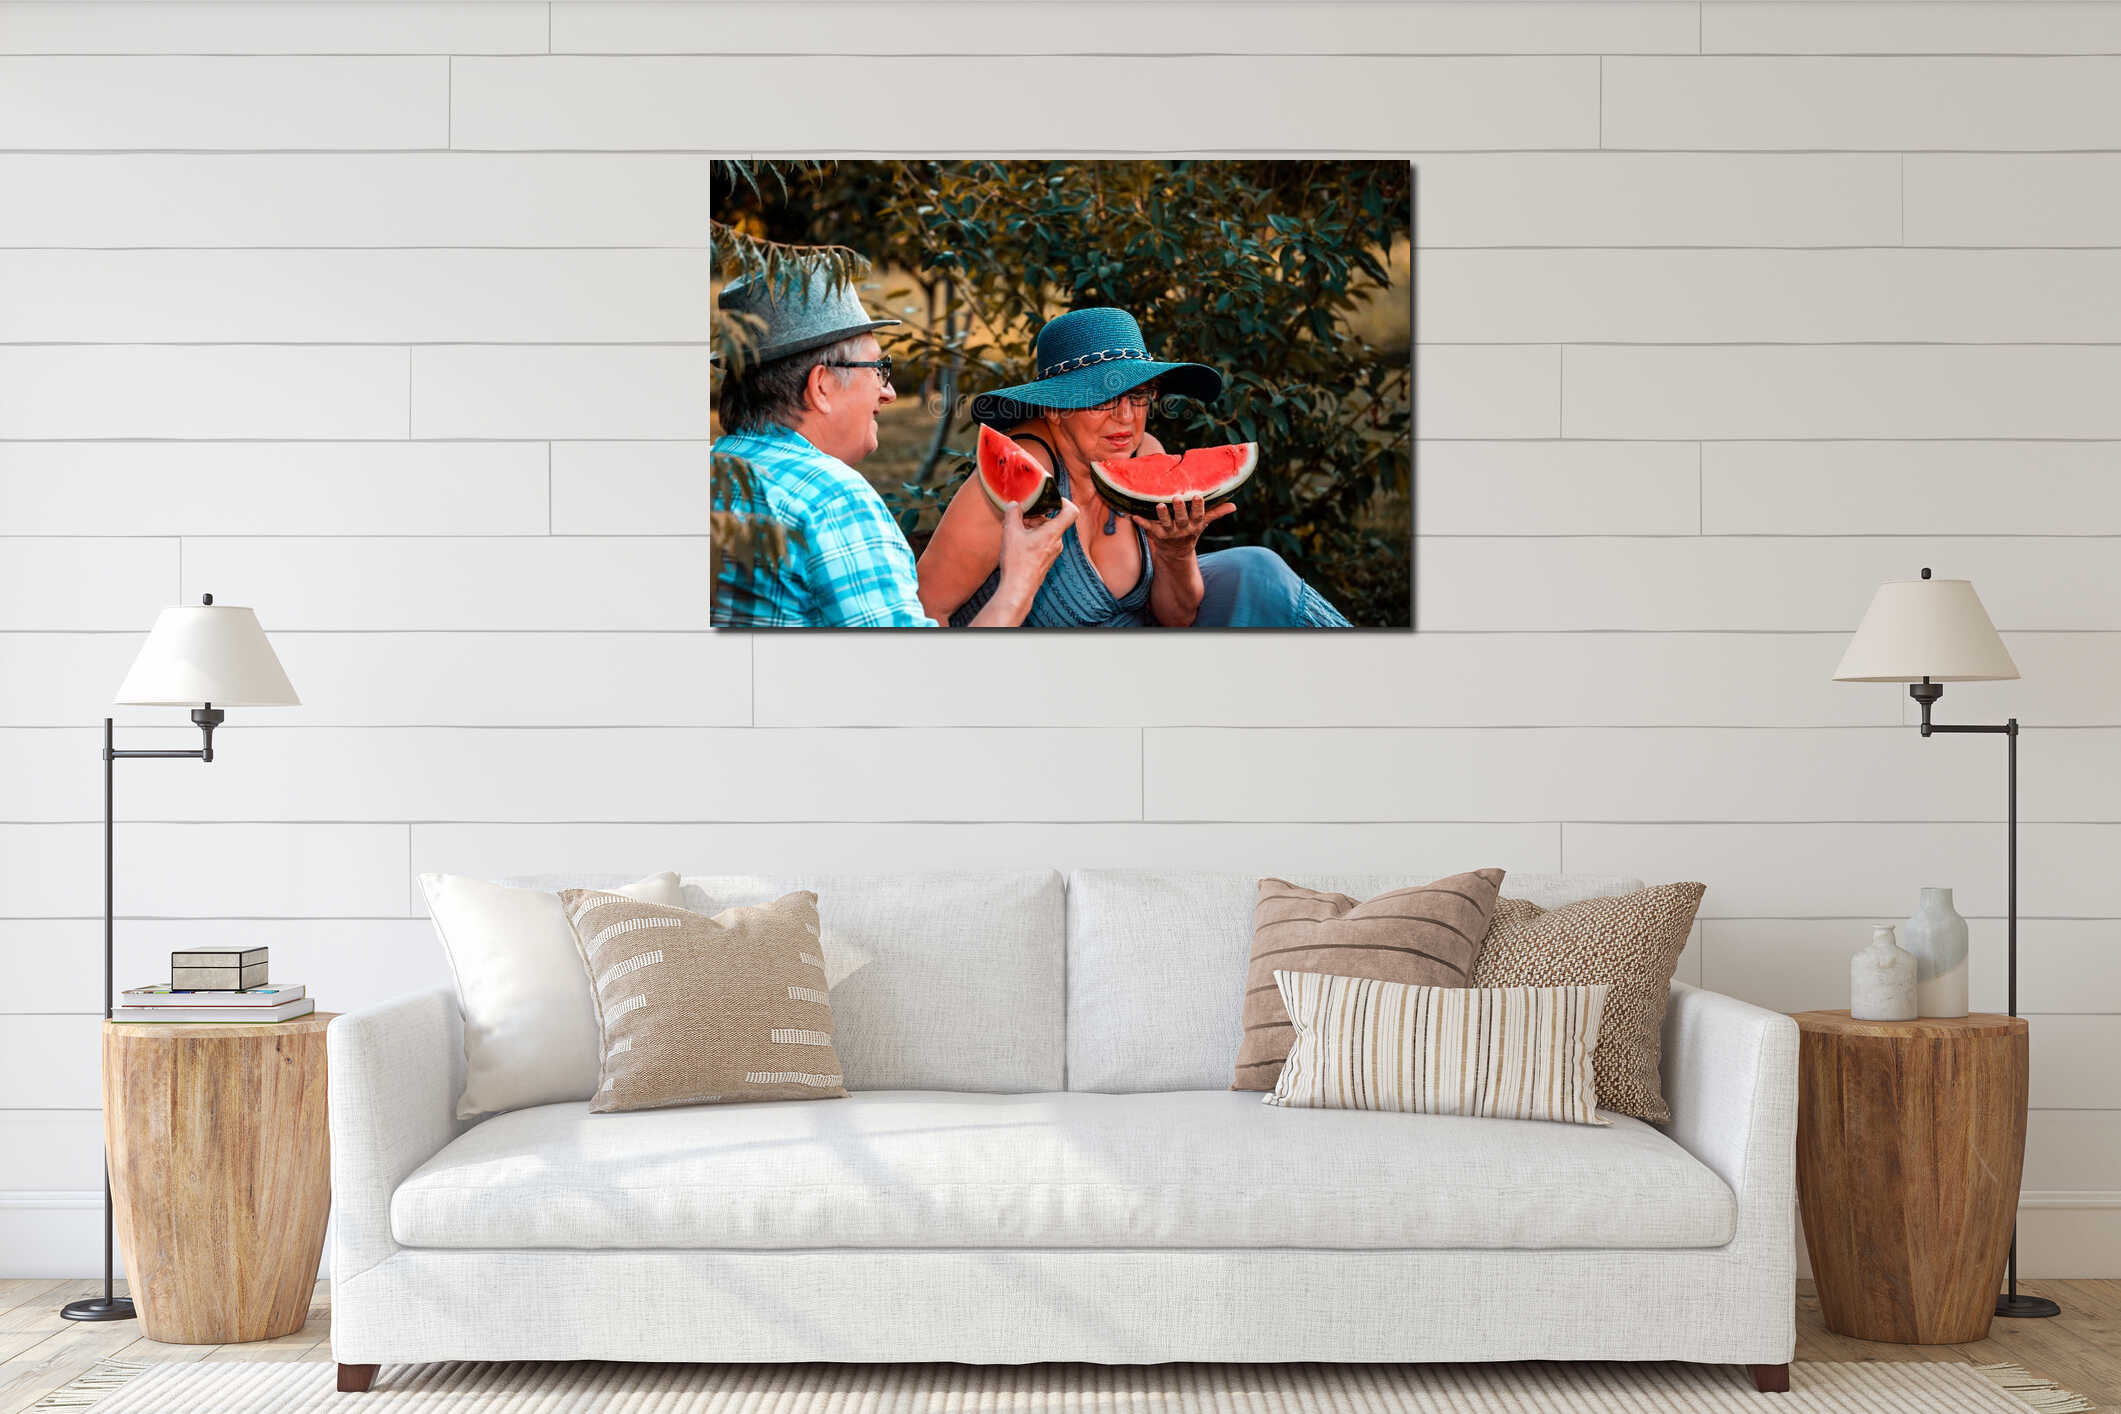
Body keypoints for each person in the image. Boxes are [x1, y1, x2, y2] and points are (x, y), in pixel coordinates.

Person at [916, 307, 1351, 628]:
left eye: (1139, 395)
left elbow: (1178, 617)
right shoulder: (1014, 480)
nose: (1125, 418)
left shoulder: (1146, 454)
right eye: (1103, 399)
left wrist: (1176, 553)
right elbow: (924, 611)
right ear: (1056, 408)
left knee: (1260, 572)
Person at [713, 267, 1075, 628]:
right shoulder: (833, 499)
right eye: (878, 369)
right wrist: (1020, 580)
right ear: (821, 385)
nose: (889, 393)